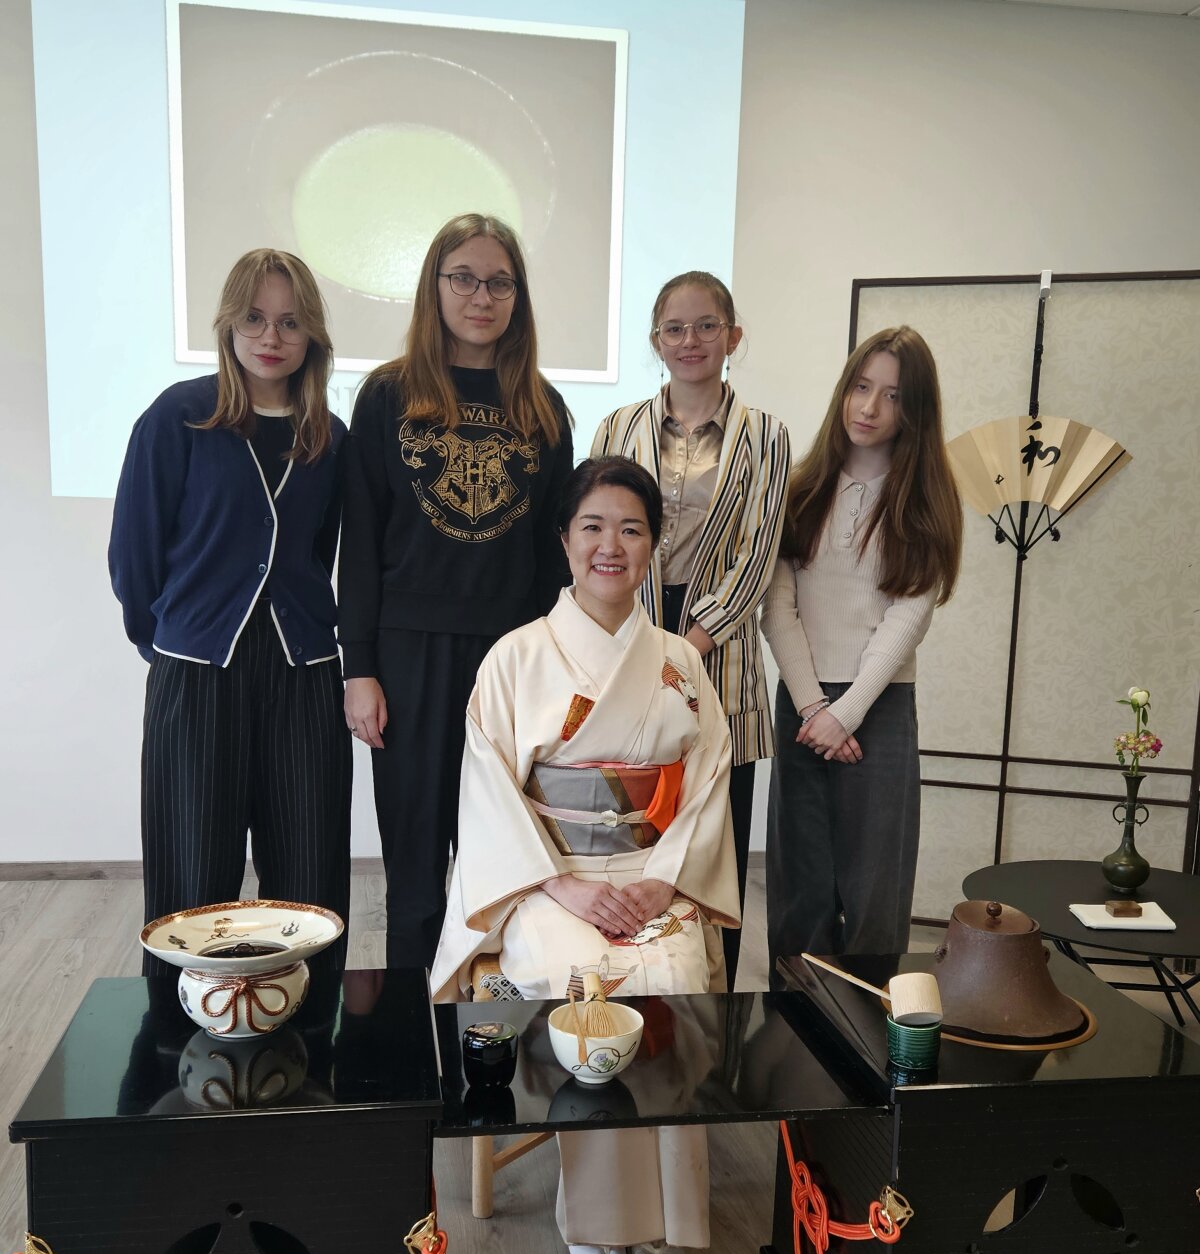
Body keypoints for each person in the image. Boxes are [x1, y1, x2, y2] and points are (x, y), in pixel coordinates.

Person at [431, 455, 739, 1254]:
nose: (612, 545)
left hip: (653, 874)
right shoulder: (515, 657)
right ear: (565, 540)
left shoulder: (680, 662)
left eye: (632, 529)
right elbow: (488, 793)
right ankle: (602, 1219)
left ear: (652, 547)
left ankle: (669, 1220)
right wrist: (560, 885)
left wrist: (665, 881)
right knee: (585, 982)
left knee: (672, 971)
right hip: (547, 878)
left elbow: (708, 780)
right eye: (593, 526)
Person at [339, 213, 574, 970]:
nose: (482, 296)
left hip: (511, 661)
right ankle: (411, 1028)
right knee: (415, 878)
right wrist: (358, 666)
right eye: (464, 278)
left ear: (518, 296)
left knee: (504, 865)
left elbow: (553, 560)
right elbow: (360, 543)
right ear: (434, 287)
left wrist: (555, 669)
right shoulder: (387, 396)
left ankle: (490, 1033)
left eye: (500, 283)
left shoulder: (543, 408)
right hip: (407, 659)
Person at [109, 249, 350, 972]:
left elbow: (321, 551)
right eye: (254, 318)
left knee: (309, 878)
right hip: (195, 674)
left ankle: (308, 1028)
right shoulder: (178, 417)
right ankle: (180, 1033)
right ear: (228, 323)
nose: (271, 336)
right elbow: (134, 554)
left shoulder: (329, 436)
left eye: (290, 322)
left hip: (304, 674)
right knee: (191, 879)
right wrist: (171, 644)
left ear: (311, 335)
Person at [591, 272, 790, 987]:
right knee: (632, 837)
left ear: (732, 336)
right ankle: (630, 989)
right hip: (627, 645)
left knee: (714, 848)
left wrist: (685, 647)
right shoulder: (618, 427)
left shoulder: (766, 435)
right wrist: (639, 644)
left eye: (707, 326)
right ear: (656, 340)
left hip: (720, 658)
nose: (690, 340)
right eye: (674, 328)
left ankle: (717, 1008)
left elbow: (758, 555)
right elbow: (601, 535)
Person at [761, 326, 962, 972]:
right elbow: (777, 608)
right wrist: (814, 706)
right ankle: (795, 1026)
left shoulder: (926, 502)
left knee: (875, 894)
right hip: (801, 703)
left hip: (880, 709)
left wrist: (845, 714)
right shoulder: (797, 489)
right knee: (800, 892)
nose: (870, 407)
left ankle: (869, 1027)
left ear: (916, 410)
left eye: (893, 395)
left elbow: (909, 617)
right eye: (861, 386)